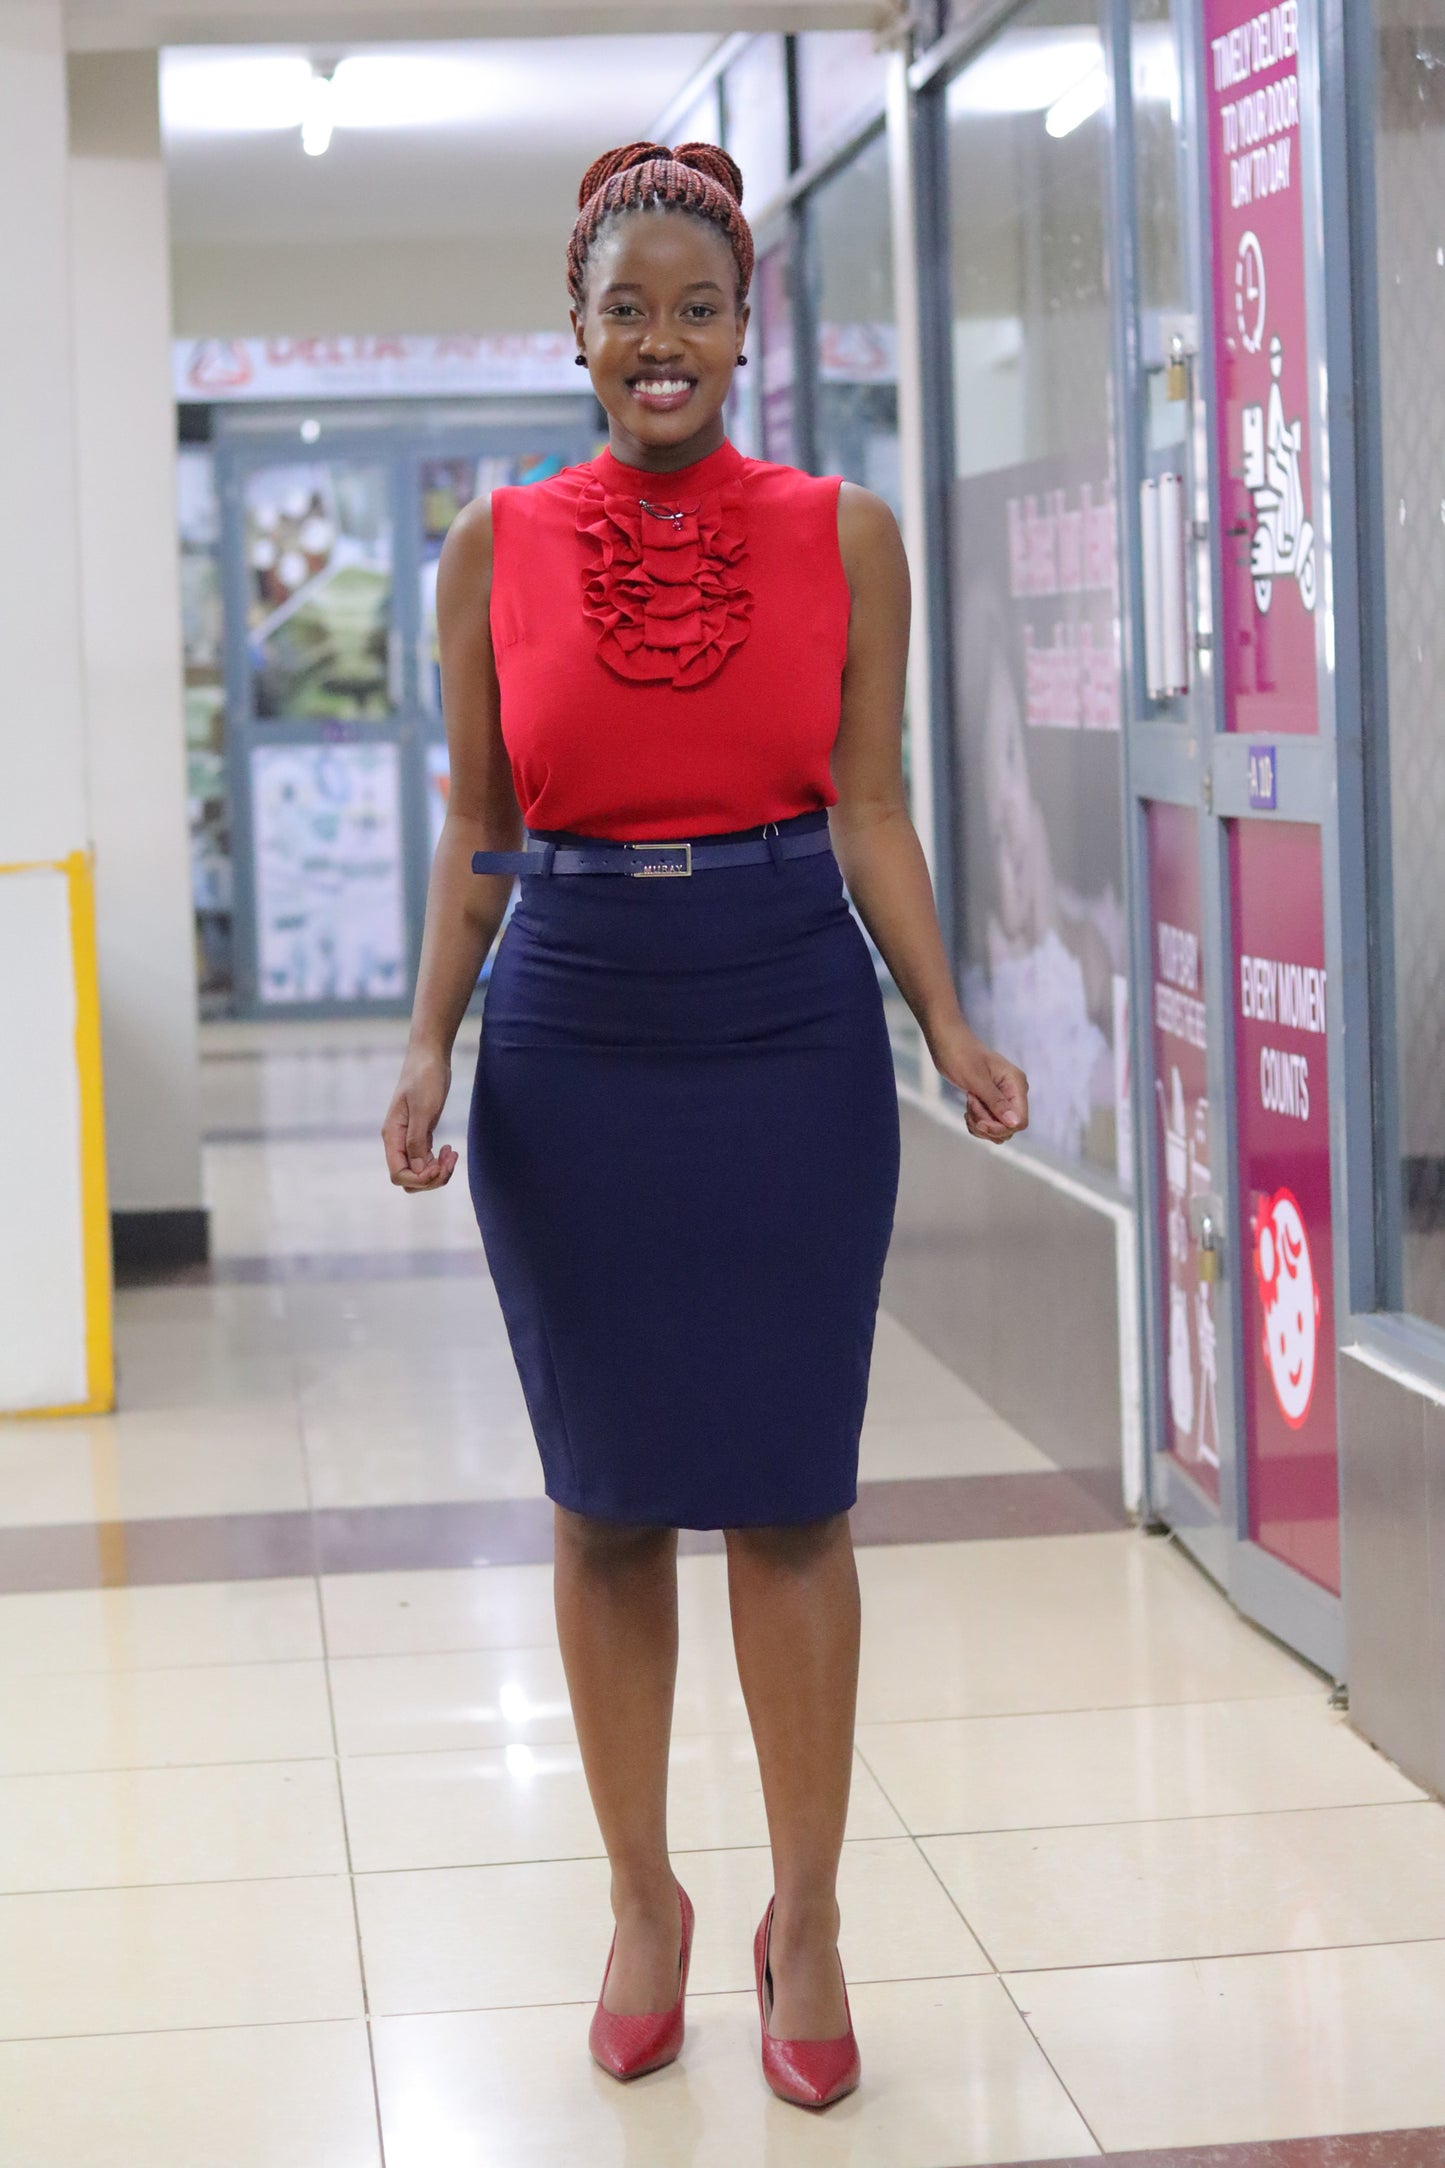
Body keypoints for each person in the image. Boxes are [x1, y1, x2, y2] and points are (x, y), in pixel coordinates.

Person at [382, 140, 1028, 2112]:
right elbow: (481, 829)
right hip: (573, 1036)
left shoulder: (849, 531)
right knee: (605, 1499)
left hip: (784, 1023)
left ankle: (810, 1913)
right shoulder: (496, 546)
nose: (663, 342)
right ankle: (645, 1896)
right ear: (575, 333)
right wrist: (429, 1046)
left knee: (793, 1491)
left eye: (700, 305)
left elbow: (873, 806)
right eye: (627, 308)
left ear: (746, 327)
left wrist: (949, 1014)